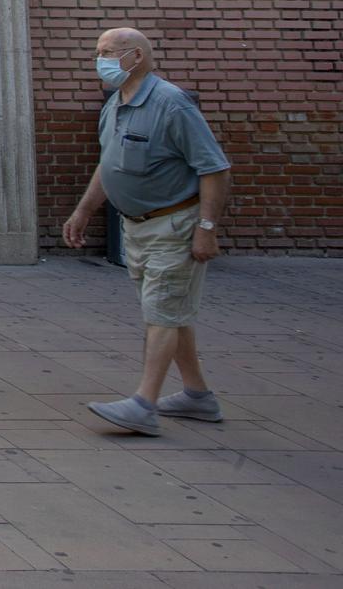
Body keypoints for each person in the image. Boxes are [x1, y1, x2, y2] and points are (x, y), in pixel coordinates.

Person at [64, 27, 233, 437]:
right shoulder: (117, 104)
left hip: (175, 225)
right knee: (170, 311)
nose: (99, 59)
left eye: (107, 52)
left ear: (136, 56)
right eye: (97, 50)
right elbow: (110, 163)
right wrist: (85, 209)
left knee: (162, 311)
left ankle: (143, 404)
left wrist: (206, 229)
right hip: (137, 227)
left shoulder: (171, 104)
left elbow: (215, 169)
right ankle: (197, 396)